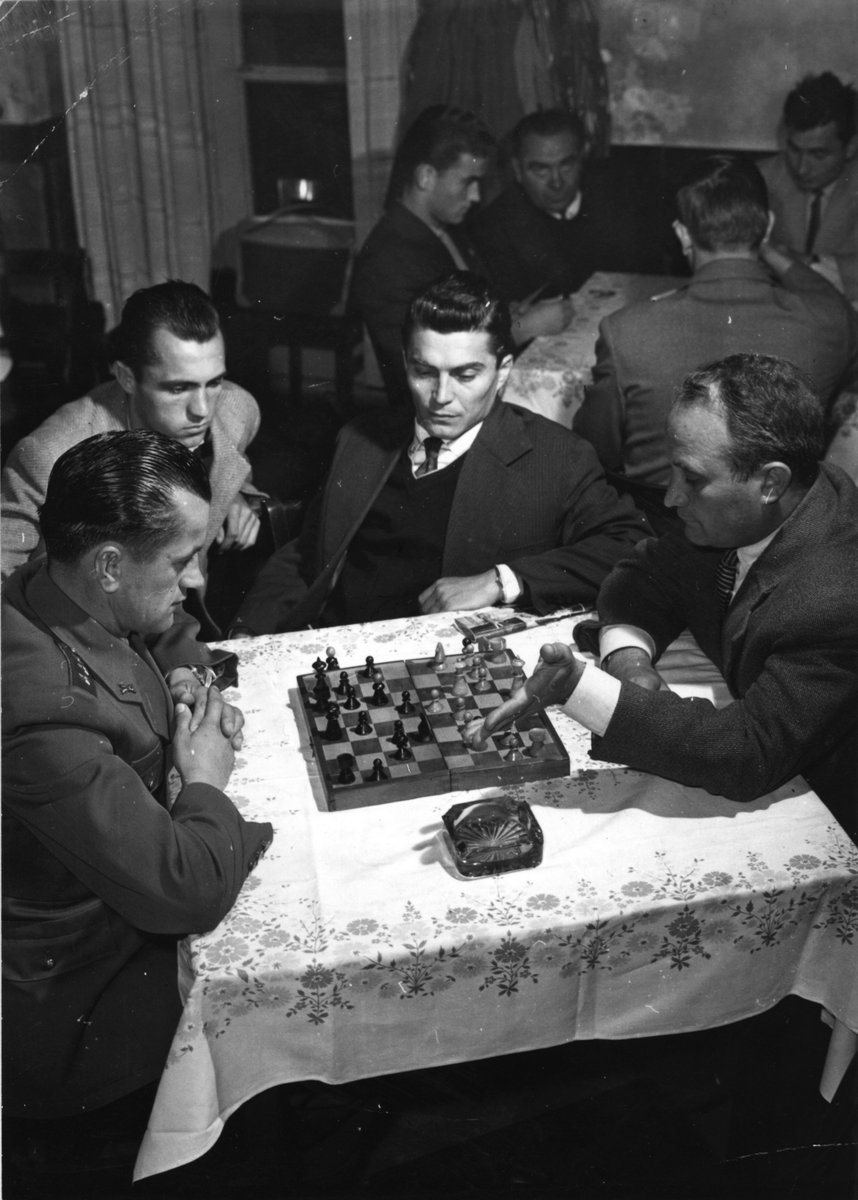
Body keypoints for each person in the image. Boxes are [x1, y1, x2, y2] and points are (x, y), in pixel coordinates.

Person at [471, 354, 858, 841]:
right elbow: (642, 577)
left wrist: (582, 690)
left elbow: (748, 753)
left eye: (692, 479)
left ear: (770, 483)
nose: (672, 498)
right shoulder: (750, 509)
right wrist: (630, 664)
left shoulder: (839, 597)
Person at [2, 430, 273, 1119]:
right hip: (78, 994)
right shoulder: (43, 716)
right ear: (111, 564)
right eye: (182, 561)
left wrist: (183, 673)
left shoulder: (57, 582)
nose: (196, 581)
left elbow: (153, 633)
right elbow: (184, 892)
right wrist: (205, 778)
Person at [232, 272, 649, 635]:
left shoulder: (556, 457)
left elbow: (633, 545)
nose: (440, 397)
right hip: (337, 648)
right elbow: (308, 556)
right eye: (424, 372)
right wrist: (249, 631)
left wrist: (501, 581)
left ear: (502, 372)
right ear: (405, 364)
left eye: (466, 375)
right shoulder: (359, 439)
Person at [573, 155, 858, 515]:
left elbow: (594, 448)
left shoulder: (625, 331)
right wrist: (764, 246)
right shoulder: (829, 323)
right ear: (767, 226)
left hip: (661, 536)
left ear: (682, 234)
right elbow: (833, 301)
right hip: (774, 538)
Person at [1, 279, 264, 583]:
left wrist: (233, 494)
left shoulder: (238, 411)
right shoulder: (50, 456)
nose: (203, 410)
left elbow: (234, 464)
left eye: (214, 382)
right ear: (126, 378)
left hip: (188, 616)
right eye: (179, 388)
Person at [350, 106, 571, 407]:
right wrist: (524, 328)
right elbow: (431, 368)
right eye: (468, 181)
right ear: (426, 177)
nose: (477, 196)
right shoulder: (387, 259)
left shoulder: (447, 229)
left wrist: (509, 312)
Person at [468, 108, 659, 306]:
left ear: (582, 157)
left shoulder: (621, 201)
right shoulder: (495, 228)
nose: (557, 182)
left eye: (566, 165)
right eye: (541, 170)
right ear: (517, 169)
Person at [760, 72, 858, 303]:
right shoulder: (759, 180)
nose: (802, 168)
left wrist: (800, 263)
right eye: (794, 149)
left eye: (819, 154)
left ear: (851, 147)